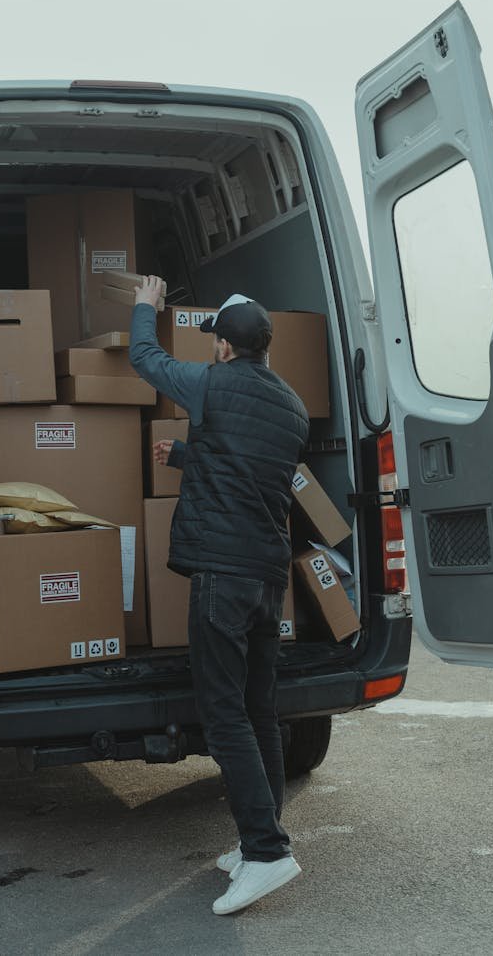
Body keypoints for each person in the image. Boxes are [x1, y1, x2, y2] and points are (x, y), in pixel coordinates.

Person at [130, 277, 310, 916]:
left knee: (224, 711)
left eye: (213, 345)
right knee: (260, 708)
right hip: (267, 575)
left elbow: (145, 361)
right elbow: (250, 472)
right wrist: (185, 454)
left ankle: (265, 851)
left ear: (227, 350)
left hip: (224, 576)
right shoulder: (290, 405)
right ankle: (256, 839)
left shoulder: (212, 383)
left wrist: (145, 308)